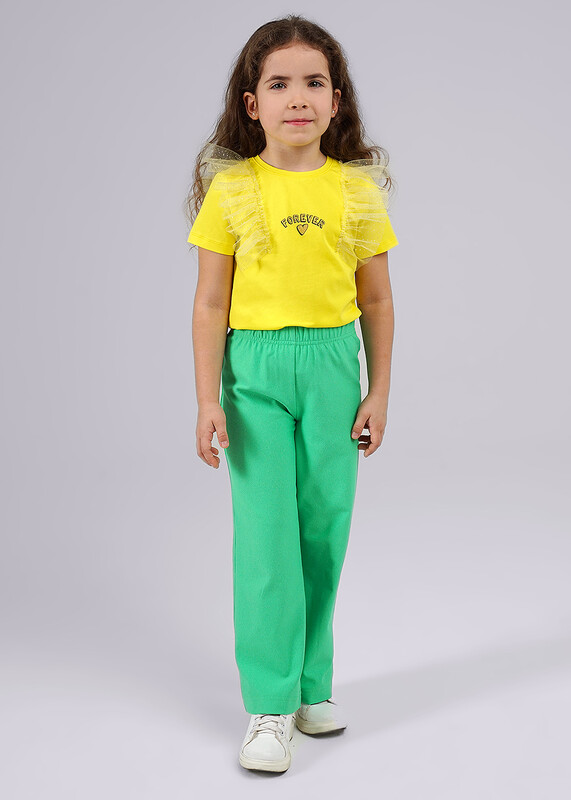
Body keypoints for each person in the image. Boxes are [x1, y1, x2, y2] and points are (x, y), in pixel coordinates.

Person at [184, 14, 399, 773]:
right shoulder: (232, 189)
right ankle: (269, 705)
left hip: (334, 368)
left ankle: (312, 686)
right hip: (255, 376)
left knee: (323, 530)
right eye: (279, 83)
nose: (297, 97)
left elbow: (377, 300)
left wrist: (378, 391)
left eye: (314, 82)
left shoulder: (357, 192)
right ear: (253, 104)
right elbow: (210, 303)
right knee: (268, 537)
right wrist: (208, 400)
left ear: (336, 102)